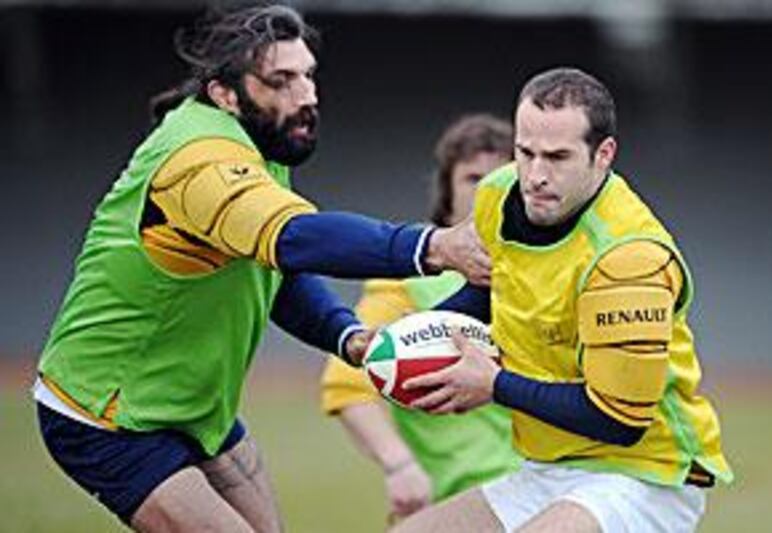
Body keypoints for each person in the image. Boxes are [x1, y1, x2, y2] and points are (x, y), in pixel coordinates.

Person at [32, 5, 488, 533]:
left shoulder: (257, 144)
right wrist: (435, 245)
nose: (308, 96)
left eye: (309, 75)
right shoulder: (200, 159)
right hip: (106, 414)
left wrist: (347, 337)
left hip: (195, 408)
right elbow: (294, 239)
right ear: (225, 93)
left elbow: (275, 271)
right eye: (282, 81)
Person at [392, 67, 733, 533]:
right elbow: (492, 287)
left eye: (556, 157)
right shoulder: (496, 196)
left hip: (646, 473)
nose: (534, 175)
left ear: (603, 155)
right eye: (525, 152)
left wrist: (495, 385)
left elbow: (619, 420)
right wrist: (414, 337)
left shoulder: (628, 258)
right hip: (548, 468)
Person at [320, 114, 521, 523]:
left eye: (503, 177)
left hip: (550, 483)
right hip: (465, 495)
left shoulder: (546, 266)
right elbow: (347, 386)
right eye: (473, 178)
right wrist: (400, 466)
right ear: (445, 189)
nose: (490, 190)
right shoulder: (406, 283)